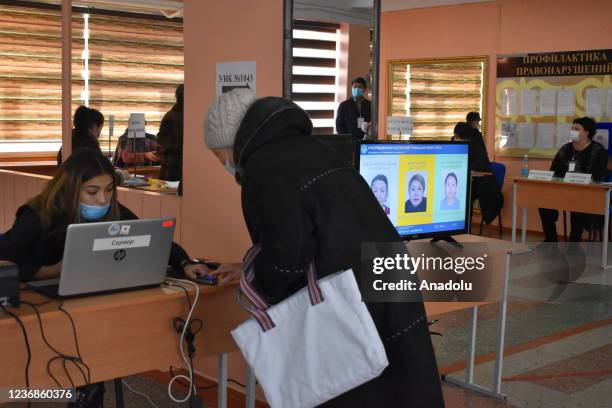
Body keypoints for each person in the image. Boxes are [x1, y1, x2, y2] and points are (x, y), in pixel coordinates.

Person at [200, 89, 445, 407]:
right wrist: (246, 265)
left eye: (219, 156)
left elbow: (288, 257)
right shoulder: (313, 147)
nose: (222, 164)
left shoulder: (264, 167)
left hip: (352, 300)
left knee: (353, 388)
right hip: (386, 277)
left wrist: (259, 281)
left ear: (232, 141)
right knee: (403, 386)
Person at [0, 149, 206, 282]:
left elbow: (154, 240)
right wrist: (52, 271)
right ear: (69, 189)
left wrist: (186, 263)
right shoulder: (37, 215)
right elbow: (5, 267)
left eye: (109, 190)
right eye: (92, 192)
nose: (102, 199)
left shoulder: (112, 210)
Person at [539, 117, 608, 242]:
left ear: (587, 132)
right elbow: (554, 171)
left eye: (577, 129)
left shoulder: (598, 150)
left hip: (586, 192)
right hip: (564, 190)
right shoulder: (566, 149)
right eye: (572, 128)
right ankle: (551, 239)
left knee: (578, 207)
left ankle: (573, 244)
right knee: (544, 204)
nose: (573, 131)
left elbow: (598, 175)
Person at [453, 122, 503, 224]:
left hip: (480, 183)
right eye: (455, 137)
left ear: (466, 137)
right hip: (461, 180)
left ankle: (465, 225)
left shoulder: (476, 144)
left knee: (466, 195)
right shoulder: (454, 142)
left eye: (458, 137)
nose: (455, 140)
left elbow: (480, 166)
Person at [157, 84, 184, 181]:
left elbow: (162, 144)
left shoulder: (170, 116)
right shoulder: (195, 115)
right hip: (191, 169)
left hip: (171, 170)